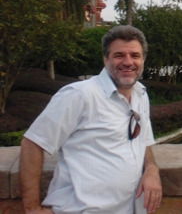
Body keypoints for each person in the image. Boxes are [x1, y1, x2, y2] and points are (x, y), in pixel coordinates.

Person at [19, 25, 162, 214]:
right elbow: (32, 143)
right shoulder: (79, 95)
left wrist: (151, 169)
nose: (128, 62)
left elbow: (142, 140)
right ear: (105, 59)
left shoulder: (140, 94)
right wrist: (32, 209)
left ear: (143, 59)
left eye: (135, 55)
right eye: (119, 55)